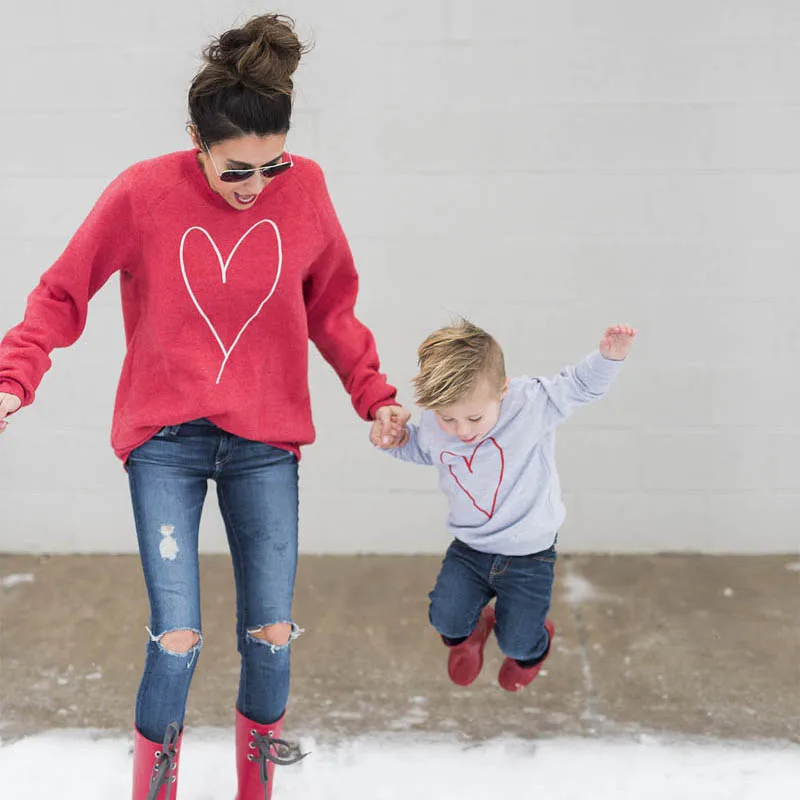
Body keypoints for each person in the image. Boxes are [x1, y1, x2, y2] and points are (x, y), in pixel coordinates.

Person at [0, 14, 409, 800]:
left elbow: (333, 307)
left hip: (265, 442)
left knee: (271, 636)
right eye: (235, 170)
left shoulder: (307, 190)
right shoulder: (141, 192)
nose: (255, 187)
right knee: (178, 637)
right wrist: (16, 376)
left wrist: (374, 397)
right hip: (166, 441)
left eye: (271, 164)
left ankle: (256, 790)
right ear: (196, 138)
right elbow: (61, 292)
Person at [374, 320, 635, 692]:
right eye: (448, 418)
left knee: (516, 641)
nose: (462, 431)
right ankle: (472, 633)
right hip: (471, 549)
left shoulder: (531, 403)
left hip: (529, 556)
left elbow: (578, 386)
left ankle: (532, 649)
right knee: (446, 619)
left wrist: (609, 358)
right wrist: (396, 440)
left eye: (475, 418)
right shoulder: (436, 423)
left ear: (503, 388)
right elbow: (423, 448)